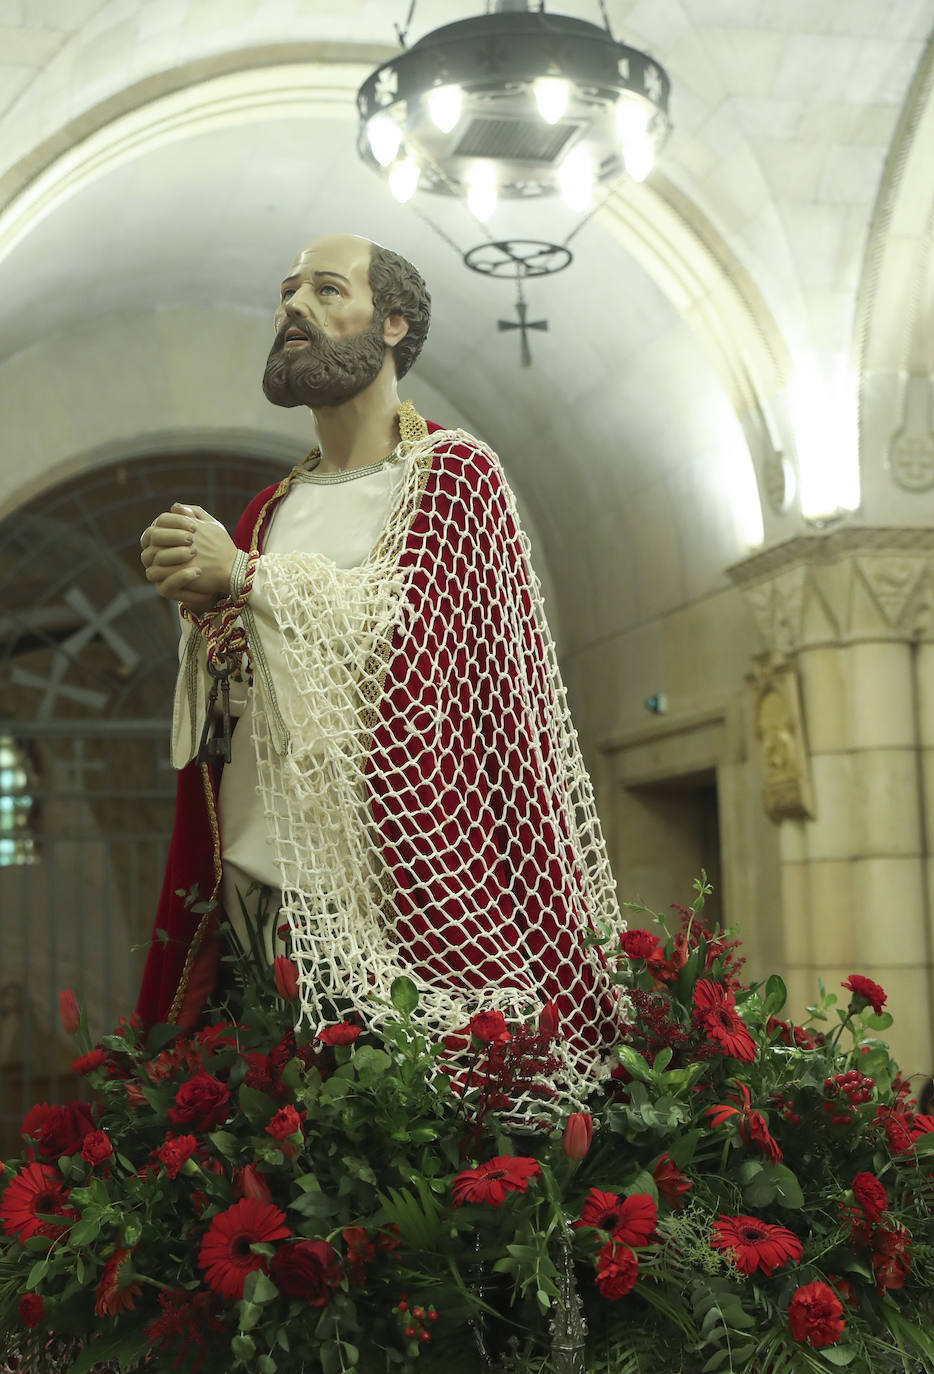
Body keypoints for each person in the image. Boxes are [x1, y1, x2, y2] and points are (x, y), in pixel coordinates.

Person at [137, 233, 623, 1101]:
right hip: (258, 876)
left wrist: (246, 578)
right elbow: (237, 706)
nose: (294, 308)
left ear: (393, 323)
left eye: (326, 290)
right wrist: (208, 616)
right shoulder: (269, 507)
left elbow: (421, 631)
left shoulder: (453, 473)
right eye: (288, 292)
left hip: (402, 889)